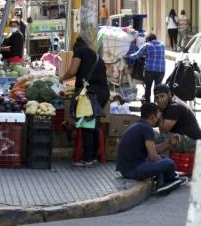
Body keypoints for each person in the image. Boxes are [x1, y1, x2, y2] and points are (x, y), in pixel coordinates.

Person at [116, 102, 188, 193]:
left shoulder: (138, 125)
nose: (159, 117)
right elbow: (153, 156)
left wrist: (169, 142)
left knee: (164, 158)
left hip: (128, 169)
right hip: (132, 170)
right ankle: (168, 181)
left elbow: (154, 149)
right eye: (158, 114)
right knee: (169, 163)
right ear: (152, 117)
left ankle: (166, 179)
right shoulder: (147, 128)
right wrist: (163, 166)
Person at [60, 37, 110, 167]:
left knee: (87, 126)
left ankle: (87, 159)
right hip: (102, 93)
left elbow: (72, 71)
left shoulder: (80, 51)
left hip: (90, 94)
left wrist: (61, 78)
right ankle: (93, 157)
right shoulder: (95, 56)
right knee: (92, 125)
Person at [154, 84, 200, 153]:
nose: (160, 100)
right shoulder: (172, 101)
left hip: (192, 142)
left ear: (169, 94)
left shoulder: (174, 107)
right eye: (157, 98)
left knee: (154, 137)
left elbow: (163, 131)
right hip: (186, 138)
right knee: (150, 133)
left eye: (162, 96)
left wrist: (161, 111)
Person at [127, 33, 165, 103]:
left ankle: (148, 103)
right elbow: (154, 54)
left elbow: (137, 55)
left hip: (150, 70)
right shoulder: (162, 45)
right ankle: (156, 103)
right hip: (161, 70)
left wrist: (128, 56)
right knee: (158, 88)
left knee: (148, 87)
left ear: (148, 39)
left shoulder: (147, 45)